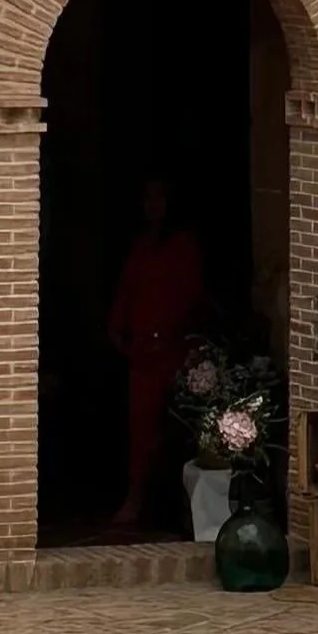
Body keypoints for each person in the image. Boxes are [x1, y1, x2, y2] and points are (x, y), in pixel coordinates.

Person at [107, 177, 205, 527]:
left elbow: (193, 299)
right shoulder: (141, 247)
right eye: (148, 199)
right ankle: (136, 499)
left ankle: (179, 508)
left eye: (160, 198)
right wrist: (118, 332)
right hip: (143, 357)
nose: (153, 206)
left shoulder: (183, 246)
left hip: (175, 355)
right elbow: (127, 292)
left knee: (177, 432)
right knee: (141, 432)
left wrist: (176, 338)